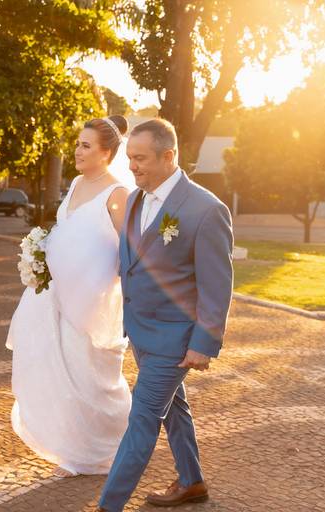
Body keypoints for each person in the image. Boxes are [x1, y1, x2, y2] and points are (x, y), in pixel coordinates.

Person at [96, 119, 234, 511]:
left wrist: (203, 343)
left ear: (168, 156)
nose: (132, 166)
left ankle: (108, 506)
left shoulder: (207, 210)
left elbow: (217, 285)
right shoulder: (135, 199)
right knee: (174, 407)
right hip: (140, 331)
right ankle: (192, 481)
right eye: (129, 158)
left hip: (175, 340)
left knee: (141, 420)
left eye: (140, 158)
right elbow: (133, 261)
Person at [6, 115, 133, 477]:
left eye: (86, 145)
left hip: (91, 300)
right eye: (78, 143)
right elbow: (68, 229)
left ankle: (109, 444)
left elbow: (130, 249)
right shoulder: (76, 182)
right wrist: (41, 253)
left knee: (87, 374)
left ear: (106, 153)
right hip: (55, 295)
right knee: (57, 371)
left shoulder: (117, 194)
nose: (77, 150)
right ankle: (70, 449)